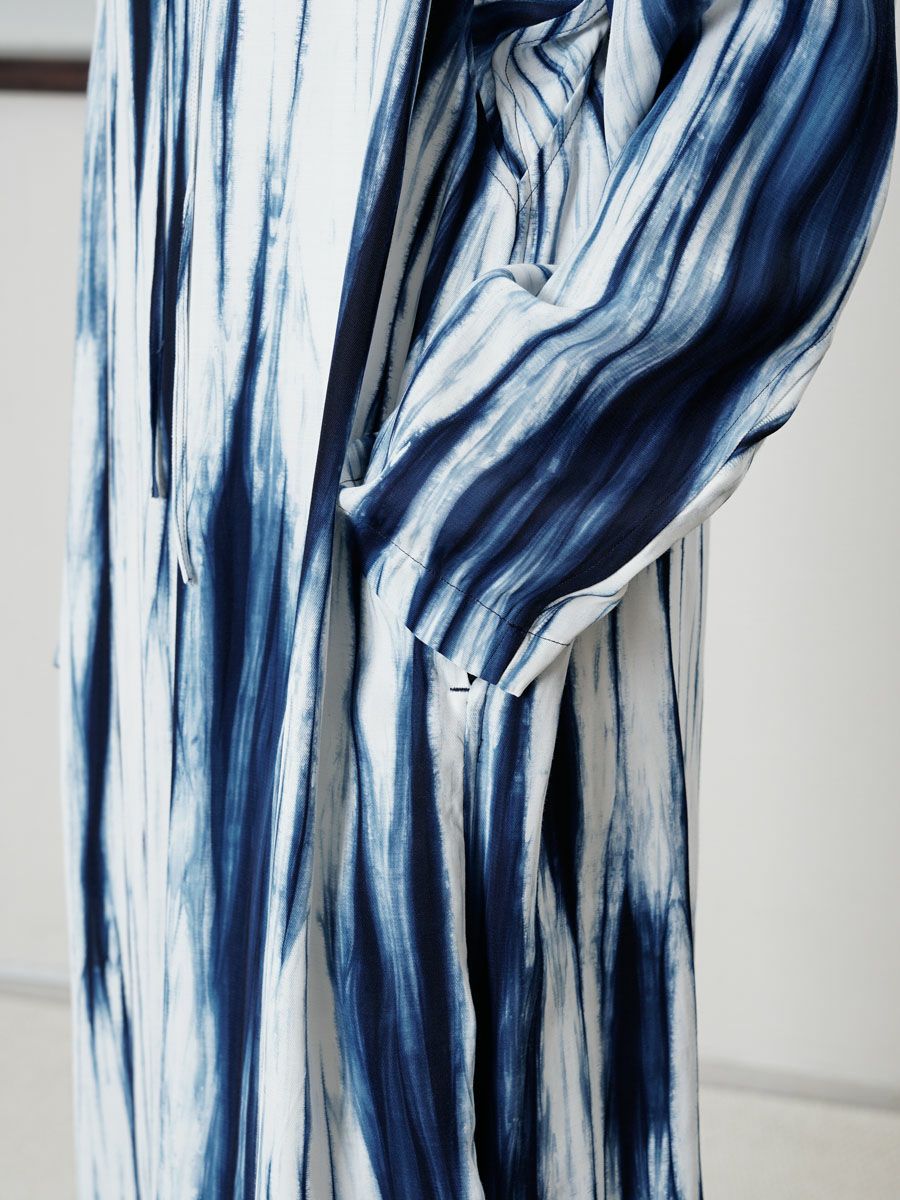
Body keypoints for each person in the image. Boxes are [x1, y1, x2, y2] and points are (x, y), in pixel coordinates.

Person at [58, 1, 897, 1195]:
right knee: (199, 1071)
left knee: (450, 1083)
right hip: (190, 493)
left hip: (439, 442)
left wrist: (495, 475)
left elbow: (810, 39)